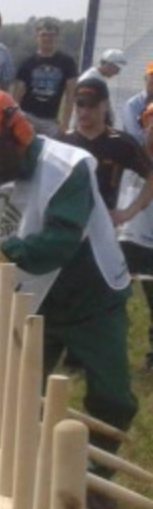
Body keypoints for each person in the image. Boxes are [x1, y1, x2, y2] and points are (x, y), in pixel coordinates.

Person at [0, 81, 137, 450]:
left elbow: (60, 241)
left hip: (90, 296)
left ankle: (97, 473)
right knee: (20, 391)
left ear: (17, 134)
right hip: (30, 299)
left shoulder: (66, 168)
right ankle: (24, 464)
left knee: (112, 398)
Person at [59, 74, 153, 227]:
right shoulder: (63, 142)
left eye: (92, 105)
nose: (84, 111)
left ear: (105, 105)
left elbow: (150, 177)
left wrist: (128, 212)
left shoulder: (121, 142)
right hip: (65, 226)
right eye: (80, 104)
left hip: (102, 227)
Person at [113, 97, 153, 369]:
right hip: (125, 237)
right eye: (150, 125)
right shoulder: (129, 156)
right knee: (109, 297)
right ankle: (98, 353)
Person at [10, 19, 79, 138]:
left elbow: (71, 95)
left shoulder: (67, 62)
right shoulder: (27, 62)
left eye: (51, 35)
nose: (47, 39)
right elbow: (17, 95)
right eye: (43, 35)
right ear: (37, 37)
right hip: (28, 117)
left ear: (57, 37)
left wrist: (65, 124)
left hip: (50, 120)